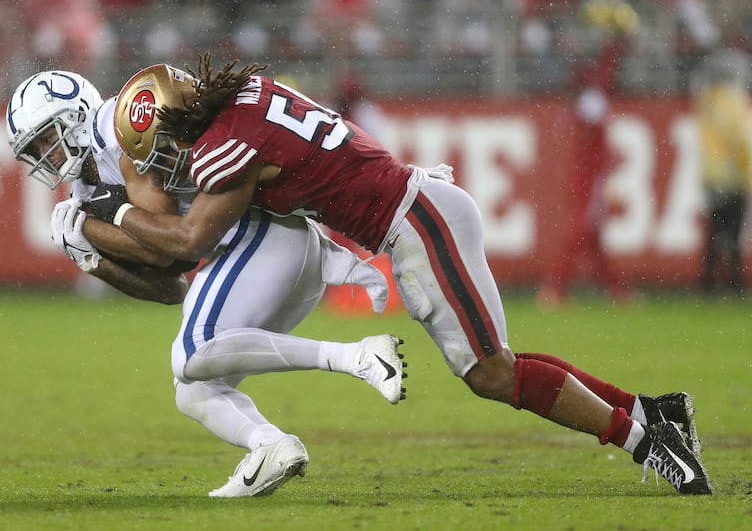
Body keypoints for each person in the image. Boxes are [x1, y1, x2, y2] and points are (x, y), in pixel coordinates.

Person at [95, 55, 710, 495]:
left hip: (415, 224)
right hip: (419, 207)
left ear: (176, 126)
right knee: (498, 361)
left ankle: (643, 441)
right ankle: (651, 413)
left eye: (162, 149)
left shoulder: (226, 145)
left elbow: (186, 239)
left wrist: (112, 212)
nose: (168, 165)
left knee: (491, 373)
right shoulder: (248, 93)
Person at [6, 70, 408, 498]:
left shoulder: (118, 130)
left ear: (78, 114)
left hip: (264, 233)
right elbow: (170, 288)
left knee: (192, 351)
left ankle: (355, 356)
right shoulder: (84, 194)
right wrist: (92, 259)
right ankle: (270, 446)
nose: (46, 155)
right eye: (36, 150)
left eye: (47, 138)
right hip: (262, 255)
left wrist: (95, 230)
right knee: (193, 388)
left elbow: (169, 247)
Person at [536, 0, 636, 307]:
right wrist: (613, 43)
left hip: (587, 175)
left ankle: (616, 291)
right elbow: (604, 75)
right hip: (590, 177)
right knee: (581, 232)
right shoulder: (592, 99)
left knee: (592, 238)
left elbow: (601, 75)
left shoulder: (586, 101)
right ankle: (553, 289)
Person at [694, 50, 752, 294]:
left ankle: (708, 282)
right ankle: (734, 281)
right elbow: (744, 140)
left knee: (715, 232)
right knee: (734, 233)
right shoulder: (735, 103)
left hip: (711, 176)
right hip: (733, 176)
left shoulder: (707, 102)